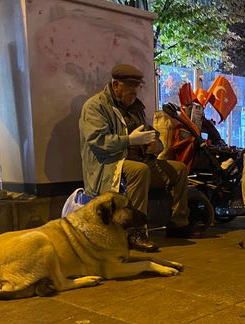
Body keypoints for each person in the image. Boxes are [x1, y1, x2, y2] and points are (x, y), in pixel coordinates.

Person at [79, 63, 191, 253]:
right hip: (109, 166)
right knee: (139, 171)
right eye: (129, 86)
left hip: (140, 161)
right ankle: (135, 233)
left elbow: (151, 133)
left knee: (178, 169)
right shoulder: (96, 107)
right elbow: (98, 142)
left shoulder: (135, 108)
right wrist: (129, 141)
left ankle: (178, 222)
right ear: (116, 85)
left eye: (136, 87)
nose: (134, 91)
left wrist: (155, 144)